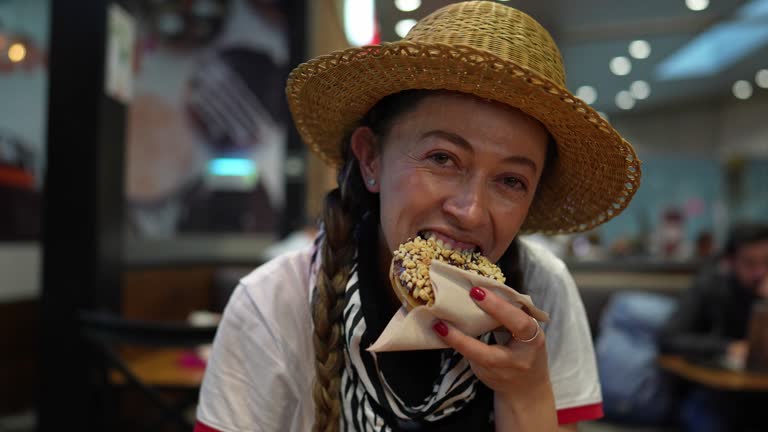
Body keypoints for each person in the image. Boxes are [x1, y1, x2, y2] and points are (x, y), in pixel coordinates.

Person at [194, 2, 642, 431]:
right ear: (371, 159)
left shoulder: (541, 294)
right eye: (443, 158)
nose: (469, 211)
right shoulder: (275, 305)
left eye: (510, 181)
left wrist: (524, 392)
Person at [659, 223, 768, 432]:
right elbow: (669, 338)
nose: (760, 272)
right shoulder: (709, 287)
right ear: (730, 262)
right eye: (750, 263)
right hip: (712, 394)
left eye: (766, 262)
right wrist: (727, 347)